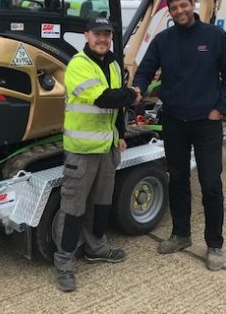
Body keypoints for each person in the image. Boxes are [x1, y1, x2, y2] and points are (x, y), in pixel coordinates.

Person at [133, 0, 226, 271]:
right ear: (169, 10)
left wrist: (221, 108)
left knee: (211, 183)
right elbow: (145, 70)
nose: (180, 11)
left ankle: (215, 244)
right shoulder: (163, 40)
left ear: (192, 4)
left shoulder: (214, 36)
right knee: (178, 180)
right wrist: (138, 87)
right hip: (174, 120)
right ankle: (181, 235)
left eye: (184, 5)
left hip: (206, 122)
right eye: (174, 7)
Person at [54, 16, 141, 292]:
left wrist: (122, 135)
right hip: (81, 151)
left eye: (107, 34)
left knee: (102, 204)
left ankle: (97, 249)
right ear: (86, 35)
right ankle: (65, 264)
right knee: (73, 208)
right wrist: (132, 95)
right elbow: (104, 98)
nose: (103, 39)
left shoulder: (114, 64)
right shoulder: (78, 65)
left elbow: (117, 109)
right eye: (97, 34)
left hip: (107, 147)